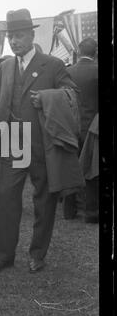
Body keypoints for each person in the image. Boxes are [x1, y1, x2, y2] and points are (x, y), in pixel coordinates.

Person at [0, 8, 80, 274]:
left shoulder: (53, 64)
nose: (13, 41)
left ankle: (38, 254)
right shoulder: (4, 66)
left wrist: (48, 97)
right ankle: (4, 256)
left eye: (18, 36)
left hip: (43, 145)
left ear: (31, 35)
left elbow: (71, 94)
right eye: (10, 36)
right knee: (6, 198)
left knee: (44, 201)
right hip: (13, 144)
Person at [63, 37, 98, 223]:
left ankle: (69, 210)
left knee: (71, 167)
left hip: (71, 127)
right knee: (92, 170)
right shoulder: (97, 71)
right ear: (96, 52)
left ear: (78, 50)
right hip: (93, 128)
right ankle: (92, 212)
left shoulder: (67, 72)